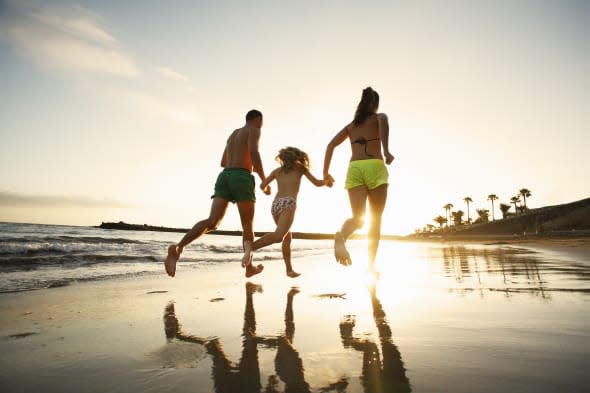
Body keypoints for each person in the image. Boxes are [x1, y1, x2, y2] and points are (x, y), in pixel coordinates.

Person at [165, 109, 270, 278]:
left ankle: (178, 247)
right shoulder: (254, 130)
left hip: (225, 176)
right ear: (257, 119)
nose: (262, 125)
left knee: (212, 221)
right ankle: (249, 268)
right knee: (247, 225)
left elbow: (223, 162)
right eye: (262, 121)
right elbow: (254, 153)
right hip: (241, 177)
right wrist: (264, 180)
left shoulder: (233, 134)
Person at [322, 87, 394, 272]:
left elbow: (330, 145)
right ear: (375, 104)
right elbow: (384, 120)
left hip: (354, 168)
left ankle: (342, 236)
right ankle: (370, 266)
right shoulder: (379, 117)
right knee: (375, 221)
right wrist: (386, 150)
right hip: (374, 167)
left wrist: (326, 173)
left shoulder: (351, 126)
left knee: (358, 219)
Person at [242, 147, 330, 277]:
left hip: (275, 205)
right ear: (296, 157)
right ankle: (250, 247)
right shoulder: (300, 169)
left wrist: (267, 189)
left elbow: (262, 186)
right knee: (278, 236)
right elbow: (317, 183)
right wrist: (326, 182)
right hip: (288, 203)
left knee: (287, 236)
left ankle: (289, 269)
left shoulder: (277, 171)